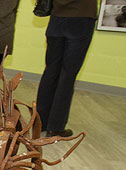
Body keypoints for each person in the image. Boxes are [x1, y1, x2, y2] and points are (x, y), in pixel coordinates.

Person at [35, 0, 98, 137]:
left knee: (51, 71)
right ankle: (56, 127)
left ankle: (40, 123)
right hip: (81, 18)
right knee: (67, 75)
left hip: (57, 18)